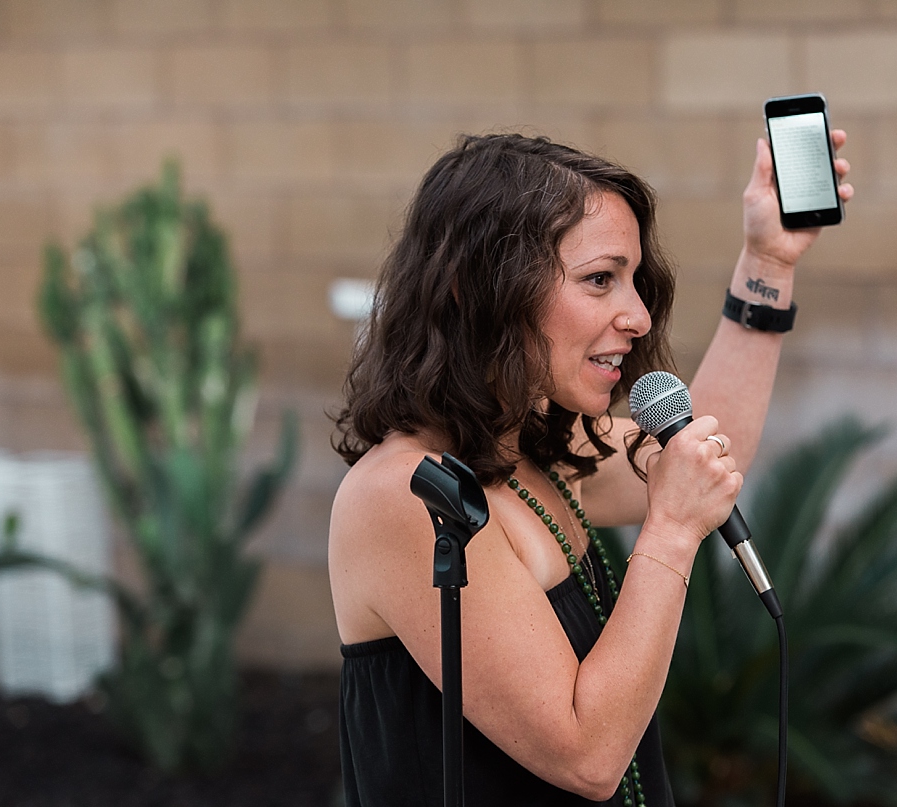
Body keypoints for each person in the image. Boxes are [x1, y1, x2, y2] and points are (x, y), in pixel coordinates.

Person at [329, 131, 852, 806]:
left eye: (633, 281)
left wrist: (768, 262)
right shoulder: (403, 496)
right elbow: (586, 754)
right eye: (600, 279)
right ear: (476, 289)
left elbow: (701, 453)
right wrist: (669, 532)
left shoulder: (536, 447)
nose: (636, 315)